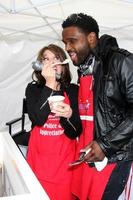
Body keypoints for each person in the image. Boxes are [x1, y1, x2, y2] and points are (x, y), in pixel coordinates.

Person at [62, 13, 133, 200]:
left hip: (114, 156)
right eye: (65, 42)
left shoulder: (121, 61)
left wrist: (104, 144)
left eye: (72, 41)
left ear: (91, 38)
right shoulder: (85, 67)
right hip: (90, 154)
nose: (67, 48)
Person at [26, 44, 82, 200]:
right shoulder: (33, 90)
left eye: (56, 59)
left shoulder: (73, 90)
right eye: (46, 60)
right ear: (41, 66)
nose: (51, 64)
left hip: (64, 164)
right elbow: (38, 119)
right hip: (39, 161)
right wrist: (50, 84)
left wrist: (69, 114)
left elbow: (74, 132)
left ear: (63, 65)